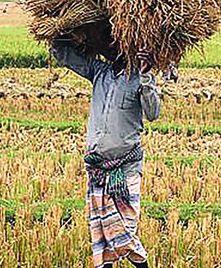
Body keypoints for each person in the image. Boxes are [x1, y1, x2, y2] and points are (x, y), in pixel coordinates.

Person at [51, 21, 160, 268]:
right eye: (108, 41)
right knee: (101, 231)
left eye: (116, 42)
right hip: (98, 168)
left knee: (125, 233)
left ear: (128, 47)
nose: (110, 46)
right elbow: (66, 56)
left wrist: (146, 74)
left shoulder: (138, 79)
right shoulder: (99, 72)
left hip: (125, 168)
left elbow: (153, 113)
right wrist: (56, 29)